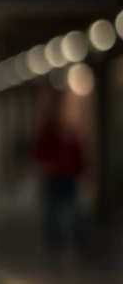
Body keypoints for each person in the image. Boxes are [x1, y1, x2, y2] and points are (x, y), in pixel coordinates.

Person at [32, 94, 89, 250]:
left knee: (76, 208)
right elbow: (38, 151)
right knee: (53, 209)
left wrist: (83, 173)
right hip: (55, 177)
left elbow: (79, 154)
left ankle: (80, 238)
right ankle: (54, 240)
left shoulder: (72, 132)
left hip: (71, 176)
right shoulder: (48, 131)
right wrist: (47, 167)